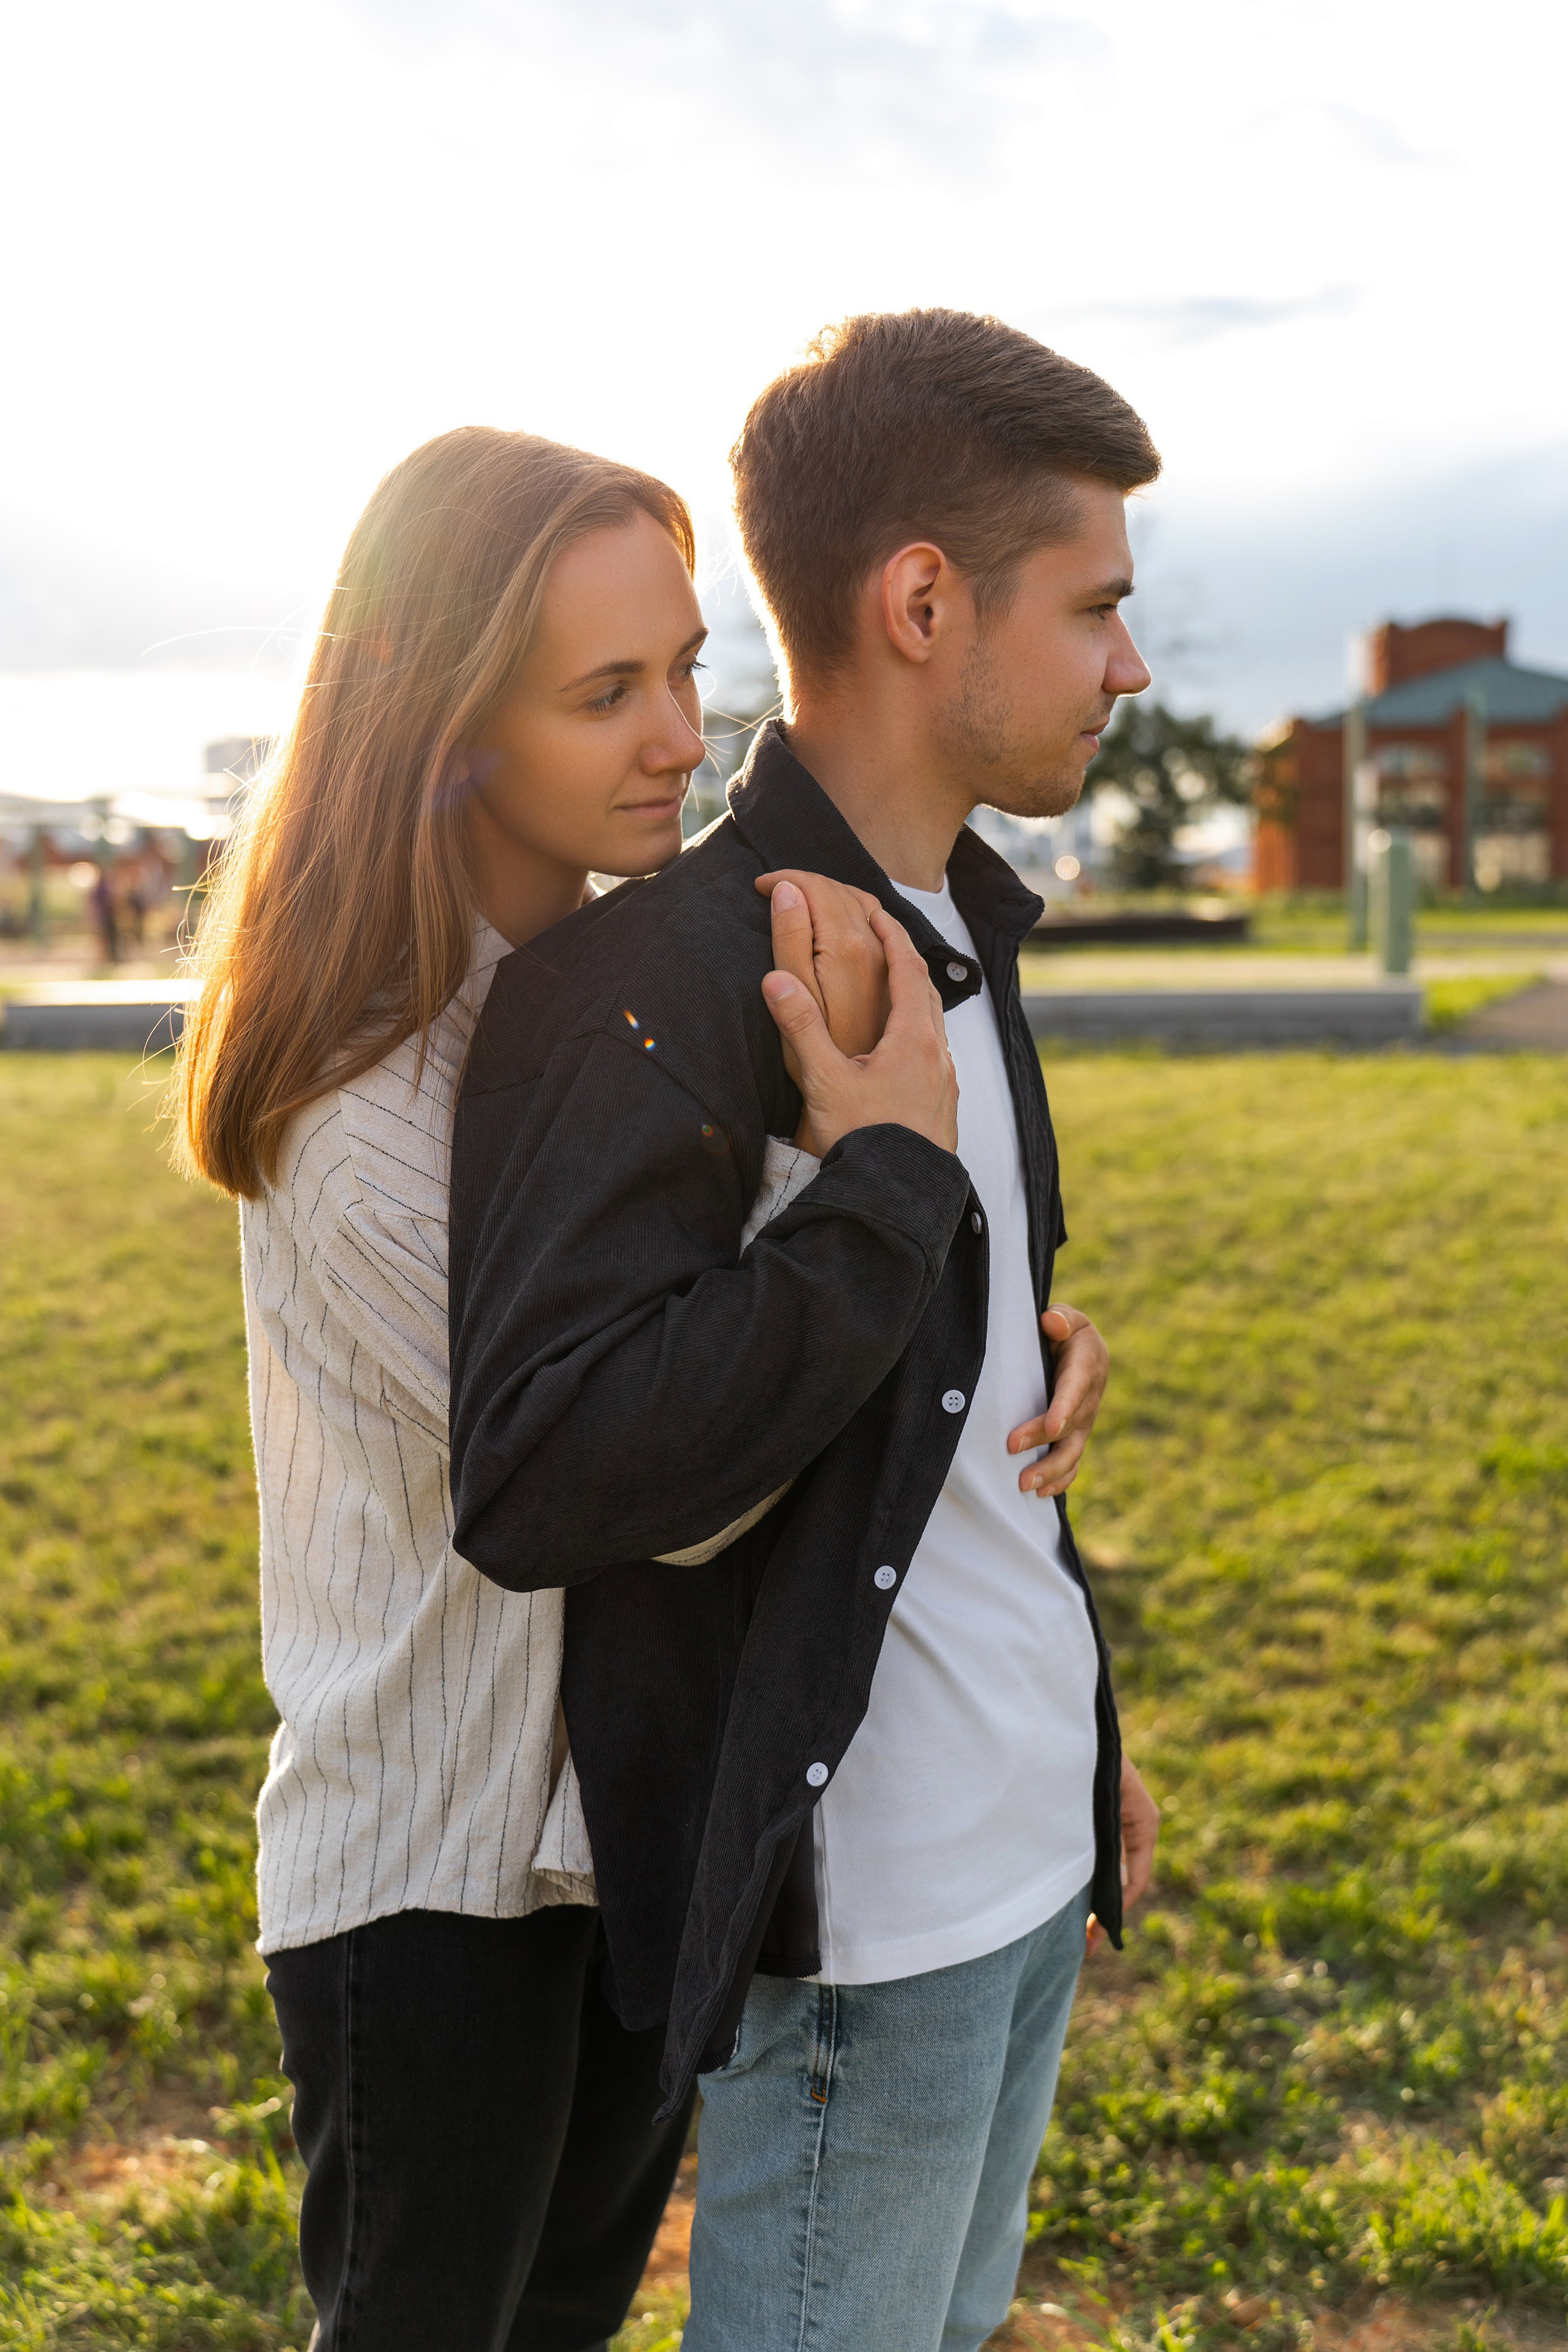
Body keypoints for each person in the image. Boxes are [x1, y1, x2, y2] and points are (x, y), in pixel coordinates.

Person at [447, 308, 1162, 2352]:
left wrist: (1078, 1714)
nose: (1125, 661)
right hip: (866, 1923)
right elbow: (545, 1464)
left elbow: (930, 1398)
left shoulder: (960, 925)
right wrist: (885, 1199)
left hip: (1023, 1856)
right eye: (1097, 605)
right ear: (923, 600)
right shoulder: (653, 974)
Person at [170, 423, 929, 2351]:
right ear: (445, 727)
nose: (682, 733)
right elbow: (655, 1465)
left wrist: (954, 1312)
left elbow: (749, 1346)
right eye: (606, 693)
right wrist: (872, 1196)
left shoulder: (600, 1011)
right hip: (428, 1882)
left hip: (621, 1833)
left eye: (685, 666)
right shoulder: (358, 1102)